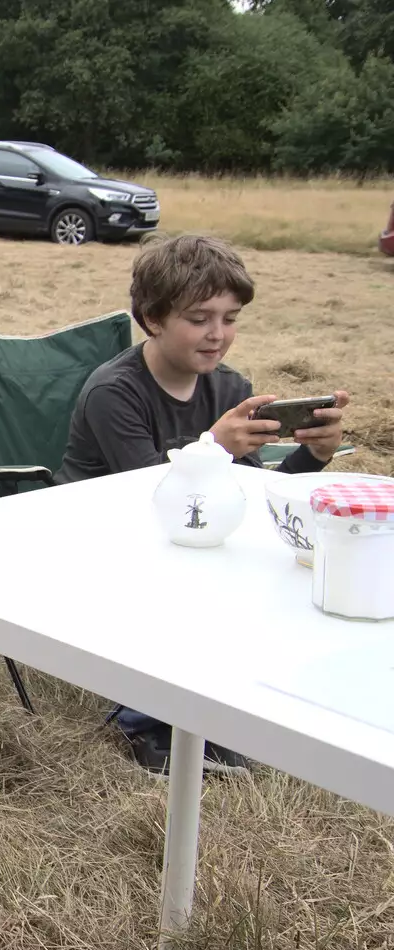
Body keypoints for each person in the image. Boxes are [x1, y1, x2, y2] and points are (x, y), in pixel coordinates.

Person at [56, 234, 349, 775]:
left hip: (194, 535)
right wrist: (212, 447)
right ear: (152, 318)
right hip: (102, 535)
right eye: (199, 318)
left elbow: (252, 496)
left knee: (270, 567)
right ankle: (147, 723)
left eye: (230, 318)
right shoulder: (115, 392)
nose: (218, 335)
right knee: (180, 583)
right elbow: (144, 498)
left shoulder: (229, 388)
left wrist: (314, 458)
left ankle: (227, 703)